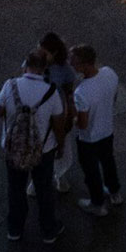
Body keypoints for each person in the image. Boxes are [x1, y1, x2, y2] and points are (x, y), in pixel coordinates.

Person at [0, 48, 66, 244]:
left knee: (15, 189)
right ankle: (48, 231)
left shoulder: (10, 85)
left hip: (14, 149)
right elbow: (59, 122)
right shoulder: (51, 92)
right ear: (44, 69)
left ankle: (15, 229)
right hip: (43, 150)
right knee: (44, 190)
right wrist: (61, 146)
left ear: (26, 65)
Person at [70, 43, 123, 214]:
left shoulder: (81, 92)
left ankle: (97, 203)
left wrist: (72, 118)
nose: (72, 65)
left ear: (85, 64)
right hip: (107, 130)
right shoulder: (110, 73)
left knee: (91, 170)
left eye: (75, 63)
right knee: (108, 161)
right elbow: (113, 98)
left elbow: (83, 124)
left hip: (89, 139)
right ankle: (115, 192)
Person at [38, 32, 77, 194]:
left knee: (60, 146)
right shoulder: (36, 62)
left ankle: (59, 176)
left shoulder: (64, 69)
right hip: (40, 112)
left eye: (44, 52)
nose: (40, 55)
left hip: (58, 113)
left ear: (54, 53)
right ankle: (37, 180)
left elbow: (69, 90)